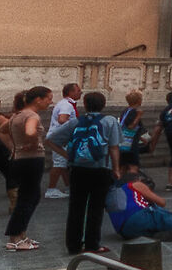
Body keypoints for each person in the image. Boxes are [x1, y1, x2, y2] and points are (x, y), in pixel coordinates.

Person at [49, 91, 121, 258]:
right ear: (103, 105)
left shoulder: (75, 122)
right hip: (101, 168)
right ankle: (92, 244)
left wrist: (69, 156)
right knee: (96, 207)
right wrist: (116, 169)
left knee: (76, 207)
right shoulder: (109, 121)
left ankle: (73, 245)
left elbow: (51, 140)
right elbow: (114, 147)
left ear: (85, 105)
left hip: (77, 169)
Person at [1, 87, 52, 252]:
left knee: (27, 196)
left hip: (20, 159)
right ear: (38, 99)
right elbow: (30, 131)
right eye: (48, 98)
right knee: (29, 198)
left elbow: (0, 130)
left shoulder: (17, 115)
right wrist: (32, 143)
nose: (50, 102)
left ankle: (21, 234)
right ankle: (15, 237)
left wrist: (14, 148)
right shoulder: (31, 115)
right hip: (32, 159)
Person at [45, 83, 80, 200]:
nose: (80, 92)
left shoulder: (65, 104)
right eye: (78, 90)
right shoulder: (67, 105)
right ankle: (51, 188)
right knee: (59, 163)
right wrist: (73, 128)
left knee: (64, 164)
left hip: (60, 137)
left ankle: (68, 186)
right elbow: (62, 119)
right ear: (70, 92)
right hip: (61, 138)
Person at [117, 91, 149, 167]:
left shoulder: (126, 111)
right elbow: (131, 127)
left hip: (125, 141)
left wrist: (141, 138)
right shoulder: (134, 112)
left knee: (124, 165)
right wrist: (138, 116)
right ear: (138, 101)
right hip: (131, 144)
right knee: (133, 166)